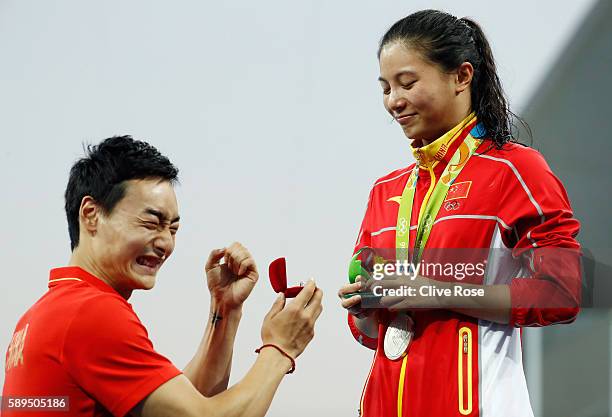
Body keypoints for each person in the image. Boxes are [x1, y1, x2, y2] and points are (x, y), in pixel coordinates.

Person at [337, 10, 580, 417]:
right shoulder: (386, 190)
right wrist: (365, 308)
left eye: (407, 82)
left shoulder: (514, 169)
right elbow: (370, 333)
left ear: (461, 77)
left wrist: (437, 291)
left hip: (478, 406)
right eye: (385, 88)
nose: (393, 101)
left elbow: (563, 293)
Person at [2, 136, 323, 417]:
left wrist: (224, 310)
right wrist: (281, 348)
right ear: (91, 215)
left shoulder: (41, 315)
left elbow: (182, 404)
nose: (166, 242)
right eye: (151, 222)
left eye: (173, 228)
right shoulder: (91, 314)